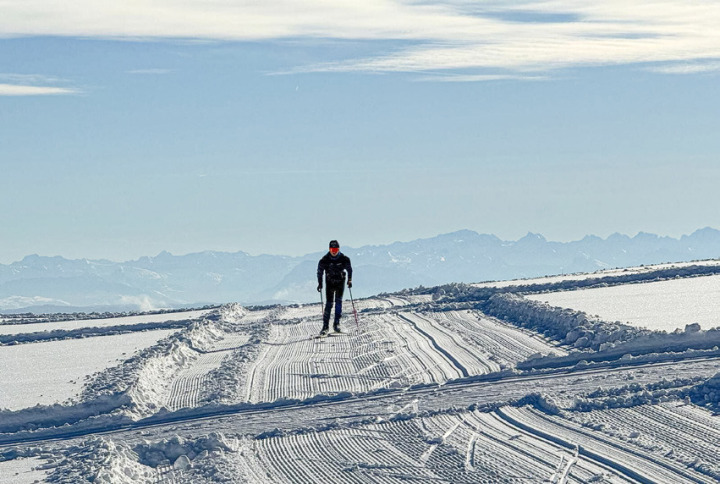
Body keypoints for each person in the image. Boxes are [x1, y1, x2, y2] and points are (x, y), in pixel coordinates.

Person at [317, 240, 353, 335]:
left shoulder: (344, 259)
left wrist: (350, 280)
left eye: (335, 249)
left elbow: (350, 270)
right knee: (329, 304)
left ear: (339, 249)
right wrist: (320, 283)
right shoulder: (324, 260)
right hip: (329, 283)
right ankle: (325, 326)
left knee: (338, 303)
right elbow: (319, 272)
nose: (334, 251)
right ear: (329, 249)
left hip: (340, 283)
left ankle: (336, 324)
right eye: (332, 249)